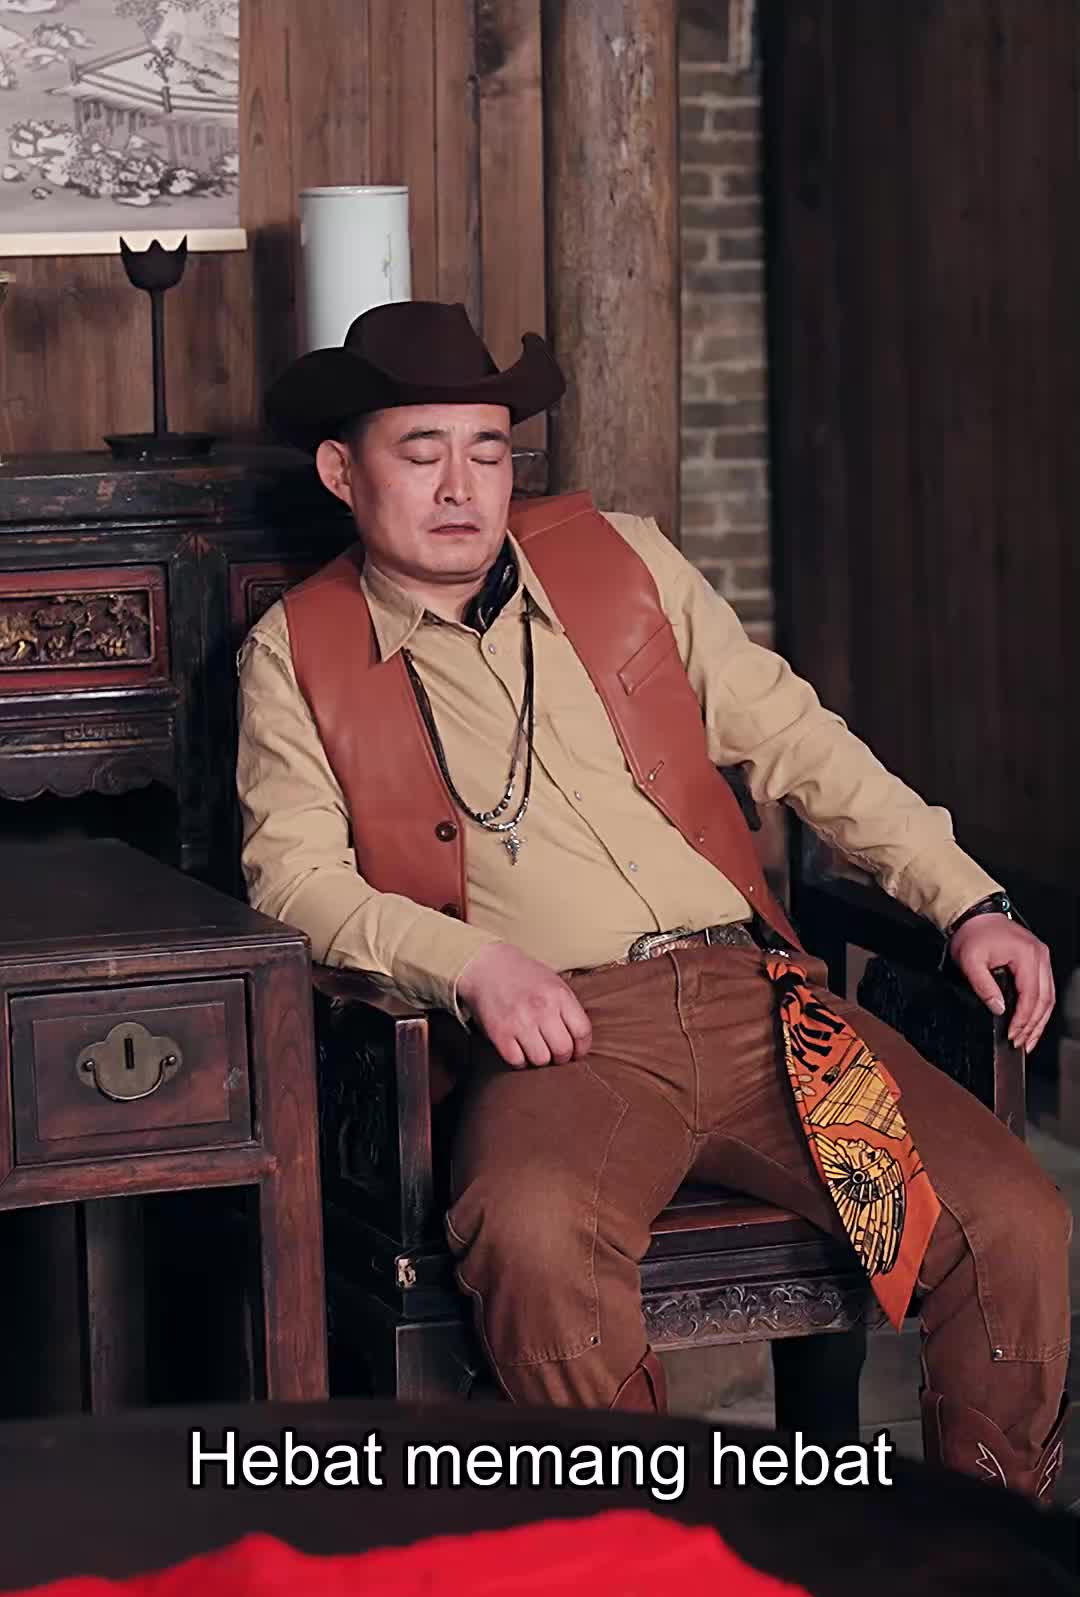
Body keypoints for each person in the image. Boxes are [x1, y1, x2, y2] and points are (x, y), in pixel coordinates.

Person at [237, 300, 1071, 1498]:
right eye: (421, 453)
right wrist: (473, 965)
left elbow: (795, 740)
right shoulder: (298, 649)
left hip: (766, 1009)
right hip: (565, 1040)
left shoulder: (616, 560)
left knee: (1007, 1225)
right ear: (340, 470)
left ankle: (989, 1559)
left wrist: (966, 900)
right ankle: (650, 1563)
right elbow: (293, 877)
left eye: (487, 451)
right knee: (533, 1236)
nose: (462, 486)